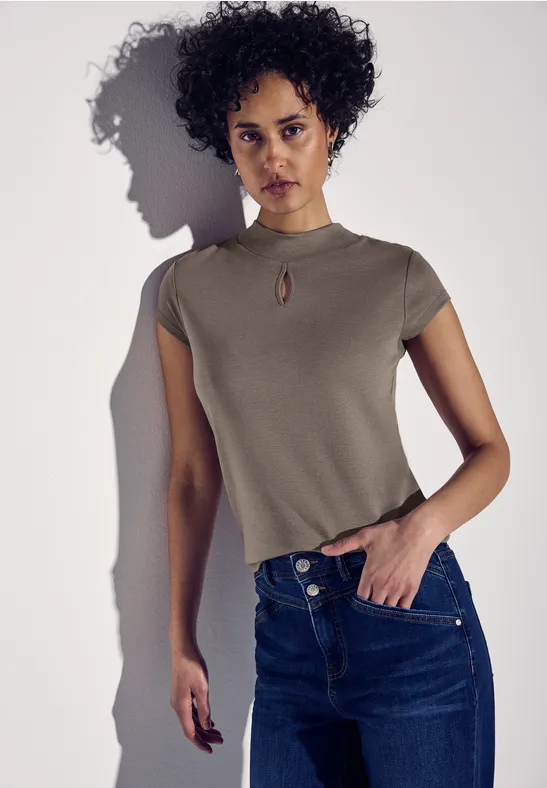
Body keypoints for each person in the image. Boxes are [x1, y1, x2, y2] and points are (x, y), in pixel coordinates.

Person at [155, 2, 509, 785]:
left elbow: (490, 451)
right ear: (225, 143)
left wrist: (418, 532)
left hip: (408, 617)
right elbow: (190, 477)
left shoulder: (395, 273)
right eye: (249, 135)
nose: (273, 156)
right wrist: (180, 641)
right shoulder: (186, 290)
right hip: (283, 633)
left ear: (332, 129)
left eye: (293, 129)